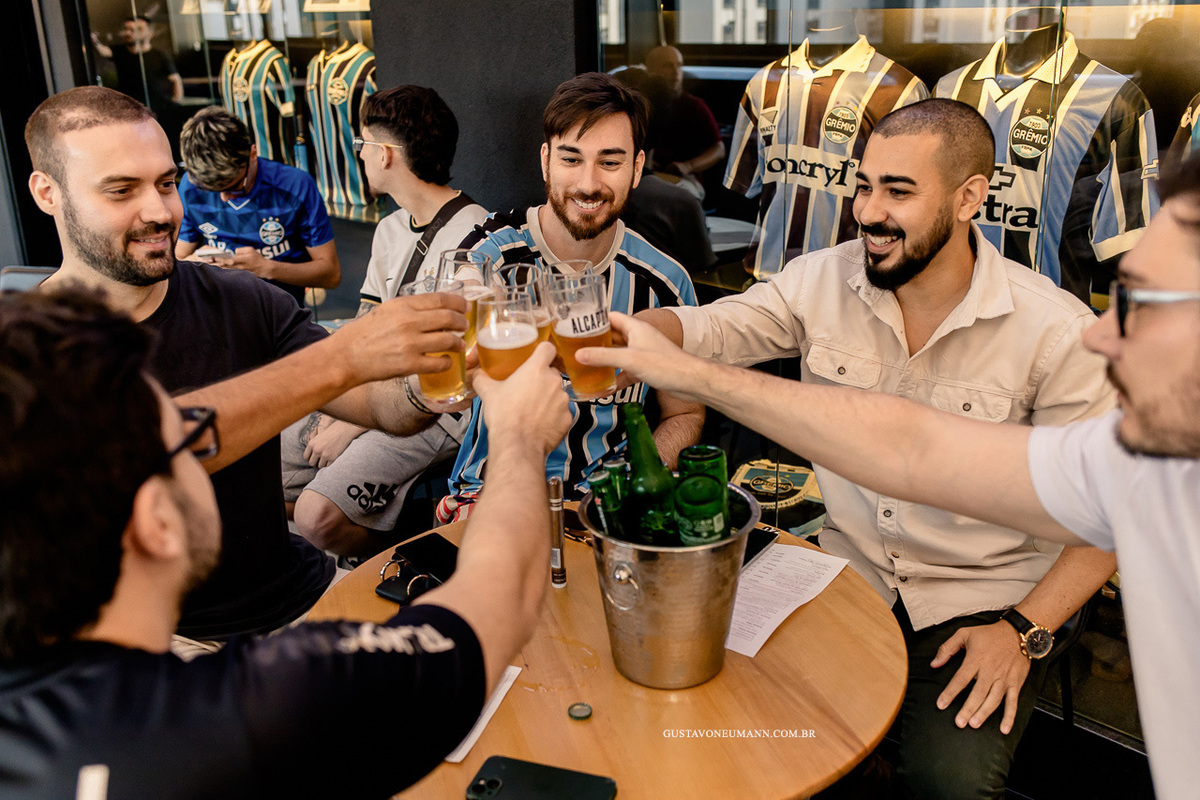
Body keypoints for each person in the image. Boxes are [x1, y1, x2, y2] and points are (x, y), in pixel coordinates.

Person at [580, 151, 1200, 800]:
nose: (869, 211)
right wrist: (625, 336)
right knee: (735, 721)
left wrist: (1022, 630)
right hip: (853, 579)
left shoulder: (1053, 329)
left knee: (943, 785)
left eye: (1138, 302)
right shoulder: (823, 278)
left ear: (968, 198)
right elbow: (908, 447)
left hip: (984, 604)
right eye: (864, 187)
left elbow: (1097, 528)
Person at [0, 287, 572, 799]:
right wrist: (520, 435)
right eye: (193, 443)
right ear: (156, 521)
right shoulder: (254, 715)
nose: (213, 444)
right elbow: (497, 604)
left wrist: (347, 361)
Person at [25, 86, 463, 643]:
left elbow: (380, 406)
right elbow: (133, 458)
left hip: (303, 599)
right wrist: (344, 356)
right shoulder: (26, 352)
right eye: (121, 190)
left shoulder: (244, 300)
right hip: (160, 645)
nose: (160, 211)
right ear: (48, 193)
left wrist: (436, 380)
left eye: (166, 183)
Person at [440, 72, 704, 521]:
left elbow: (685, 414)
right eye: (571, 159)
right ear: (546, 161)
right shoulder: (492, 255)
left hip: (606, 500)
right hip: (491, 492)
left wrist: (637, 484)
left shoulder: (665, 283)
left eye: (610, 162)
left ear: (637, 168)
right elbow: (464, 295)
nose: (587, 183)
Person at [282, 85, 488, 557]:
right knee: (261, 457)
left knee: (316, 515)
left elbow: (456, 371)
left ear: (386, 154)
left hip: (443, 407)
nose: (360, 155)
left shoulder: (478, 237)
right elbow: (365, 326)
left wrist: (351, 426)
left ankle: (387, 557)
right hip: (382, 387)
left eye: (361, 145)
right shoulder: (391, 227)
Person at [175, 106, 341, 307]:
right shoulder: (190, 186)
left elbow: (330, 275)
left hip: (278, 309)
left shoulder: (295, 186)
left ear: (252, 154)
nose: (225, 198)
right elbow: (180, 258)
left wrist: (265, 268)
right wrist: (196, 264)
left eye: (235, 187)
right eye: (210, 189)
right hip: (216, 307)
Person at [642, 45, 725, 200]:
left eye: (679, 65)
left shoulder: (694, 106)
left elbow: (719, 149)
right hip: (647, 175)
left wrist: (688, 166)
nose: (675, 71)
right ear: (651, 70)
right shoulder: (640, 104)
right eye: (668, 65)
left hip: (686, 180)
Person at [91, 16, 183, 113]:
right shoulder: (120, 51)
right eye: (127, 29)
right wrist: (94, 40)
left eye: (137, 29)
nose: (129, 33)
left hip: (157, 108)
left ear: (150, 34)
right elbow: (103, 51)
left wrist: (175, 104)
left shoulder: (159, 55)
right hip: (129, 109)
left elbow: (175, 80)